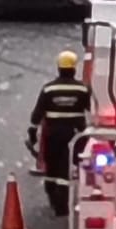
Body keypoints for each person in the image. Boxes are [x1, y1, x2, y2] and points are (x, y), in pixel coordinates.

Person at [29, 51, 93, 217]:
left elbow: (37, 114)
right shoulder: (82, 89)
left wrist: (32, 132)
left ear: (59, 68)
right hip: (75, 135)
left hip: (53, 134)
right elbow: (92, 109)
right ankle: (63, 203)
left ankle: (53, 196)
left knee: (52, 166)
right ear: (74, 69)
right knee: (67, 167)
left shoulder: (49, 89)